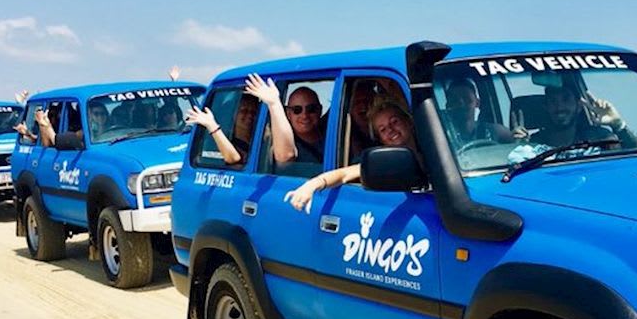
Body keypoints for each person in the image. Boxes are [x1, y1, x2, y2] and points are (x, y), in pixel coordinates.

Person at [286, 94, 420, 212]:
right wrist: (313, 184)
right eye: (383, 129)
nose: (390, 130)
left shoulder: (432, 145)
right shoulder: (383, 162)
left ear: (408, 121)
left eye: (394, 122)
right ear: (380, 139)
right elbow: (344, 174)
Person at [186, 73, 291, 168]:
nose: (249, 115)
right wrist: (212, 126)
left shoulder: (262, 136)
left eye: (253, 112)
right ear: (233, 115)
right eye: (244, 111)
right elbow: (233, 158)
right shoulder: (220, 140)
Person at [525, 77, 635, 152]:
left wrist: (618, 125)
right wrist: (516, 143)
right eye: (553, 101)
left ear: (579, 106)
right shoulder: (532, 145)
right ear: (546, 107)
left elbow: (634, 161)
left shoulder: (600, 139)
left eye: (566, 99)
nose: (559, 107)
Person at [441, 76, 514, 151]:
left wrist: (518, 137)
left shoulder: (495, 131)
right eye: (455, 101)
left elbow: (516, 148)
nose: (461, 104)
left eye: (467, 99)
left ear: (477, 103)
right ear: (448, 105)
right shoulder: (441, 136)